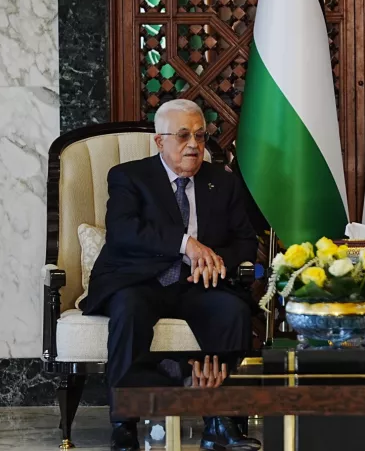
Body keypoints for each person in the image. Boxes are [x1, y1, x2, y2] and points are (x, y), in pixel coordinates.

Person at [79, 99, 261, 451]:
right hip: (141, 280)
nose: (194, 145)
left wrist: (214, 261)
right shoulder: (128, 176)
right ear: (159, 141)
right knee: (128, 310)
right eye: (183, 136)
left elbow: (245, 240)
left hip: (198, 284)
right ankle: (124, 424)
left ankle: (222, 423)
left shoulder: (222, 183)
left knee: (233, 312)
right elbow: (124, 232)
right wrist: (186, 244)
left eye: (200, 135)